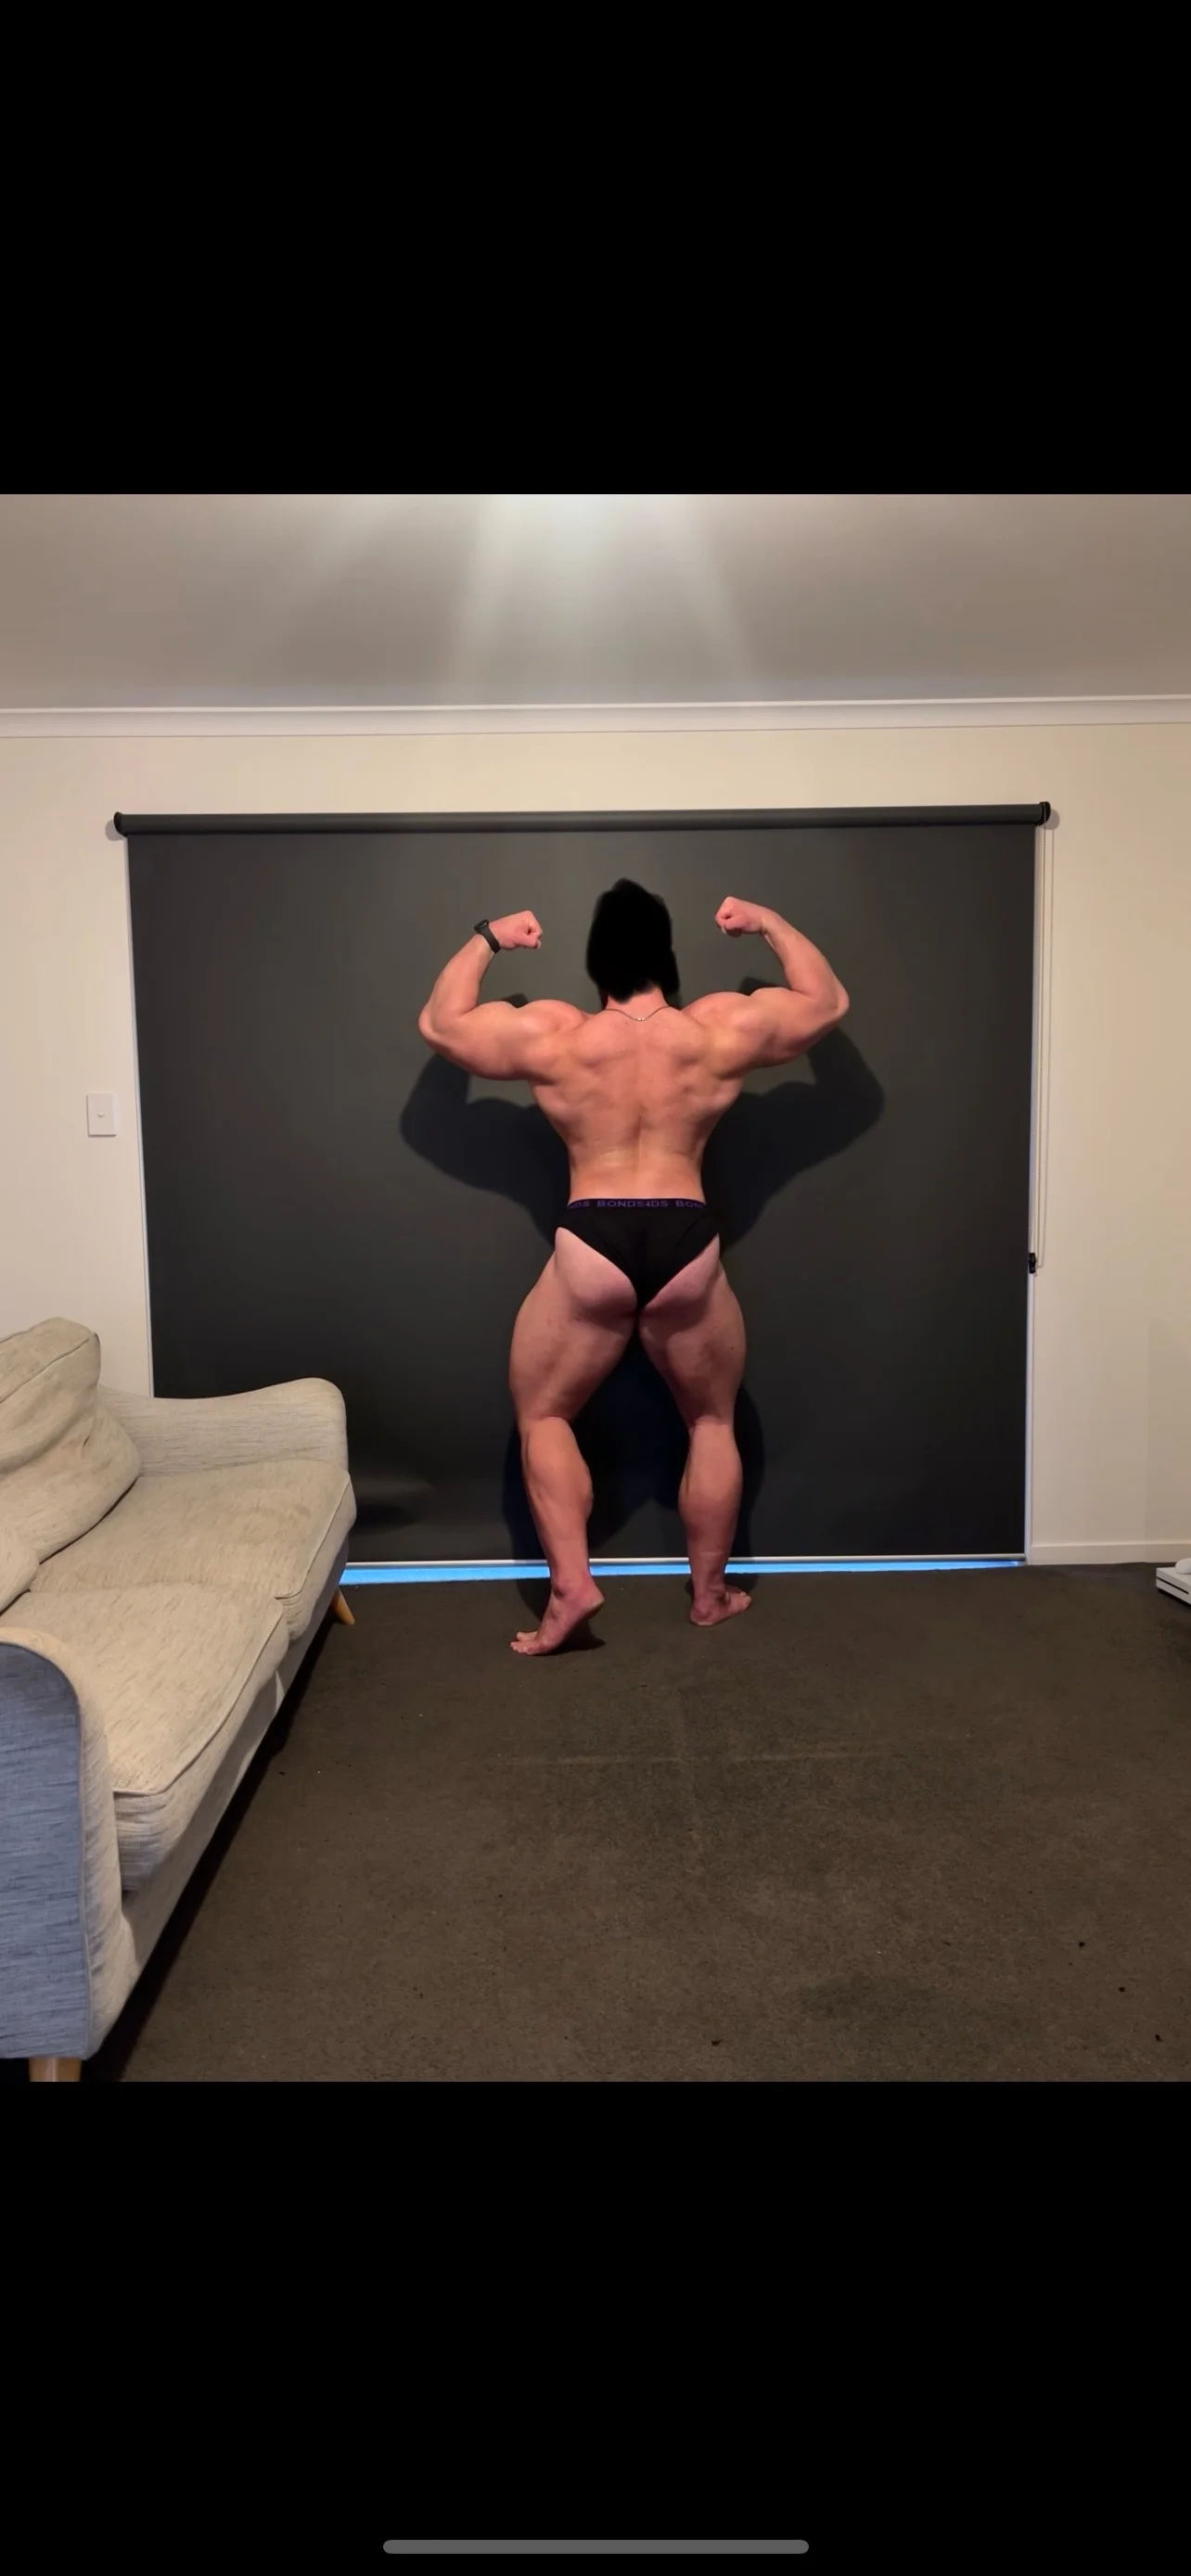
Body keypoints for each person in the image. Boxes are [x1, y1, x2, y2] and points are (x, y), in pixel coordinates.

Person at [417, 880, 849, 1654]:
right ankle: (709, 1596)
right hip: (687, 1236)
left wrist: (489, 937)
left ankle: (571, 1588)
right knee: (711, 1422)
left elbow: (441, 1025)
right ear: (667, 956)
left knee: (544, 1416)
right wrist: (768, 923)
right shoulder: (715, 1031)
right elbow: (826, 1003)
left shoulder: (558, 1036)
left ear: (596, 962)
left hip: (594, 1234)